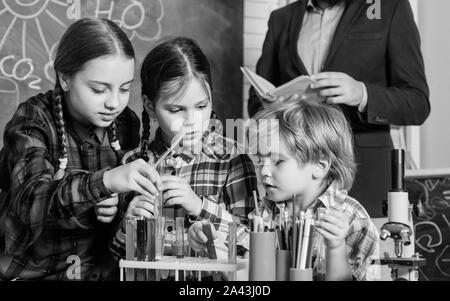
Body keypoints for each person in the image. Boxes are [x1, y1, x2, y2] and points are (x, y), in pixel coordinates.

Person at [0, 18, 162, 280]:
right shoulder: (33, 120)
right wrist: (107, 181)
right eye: (99, 89)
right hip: (34, 272)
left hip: (102, 272)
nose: (114, 103)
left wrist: (123, 208)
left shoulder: (125, 123)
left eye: (124, 89)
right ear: (65, 79)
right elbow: (30, 204)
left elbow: (122, 209)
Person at [247, 0, 430, 217]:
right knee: (292, 249)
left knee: (369, 248)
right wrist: (281, 106)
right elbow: (255, 102)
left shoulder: (389, 7)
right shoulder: (281, 18)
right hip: (295, 183)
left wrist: (362, 93)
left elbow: (417, 103)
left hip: (366, 174)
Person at [110, 37, 258, 272]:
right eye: (176, 109)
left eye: (201, 106)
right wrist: (129, 225)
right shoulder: (133, 165)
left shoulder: (233, 160)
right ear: (150, 107)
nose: (192, 121)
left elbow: (254, 245)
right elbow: (115, 259)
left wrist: (199, 206)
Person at [190, 99, 380, 281]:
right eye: (260, 159)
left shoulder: (353, 220)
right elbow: (251, 276)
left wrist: (336, 247)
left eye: (278, 161)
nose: (264, 171)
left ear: (320, 166)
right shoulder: (266, 211)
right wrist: (213, 246)